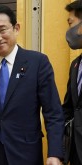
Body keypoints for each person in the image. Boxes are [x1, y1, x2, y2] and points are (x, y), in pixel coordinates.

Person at [0, 5, 64, 165]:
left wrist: (55, 153)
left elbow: (53, 113)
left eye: (2, 30)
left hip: (24, 153)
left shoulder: (37, 62)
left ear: (16, 28)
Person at [63, 1, 82, 165]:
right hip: (76, 153)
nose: (68, 31)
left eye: (71, 23)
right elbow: (69, 107)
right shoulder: (75, 64)